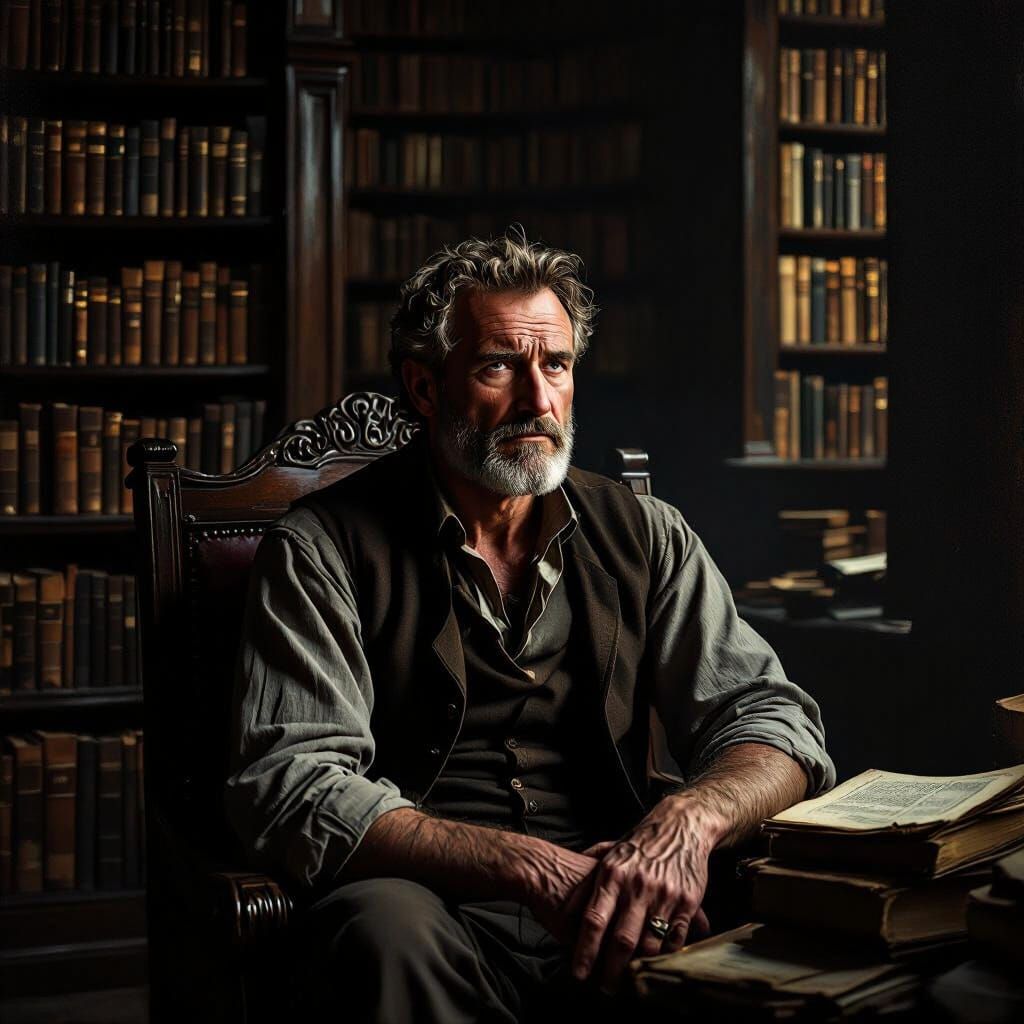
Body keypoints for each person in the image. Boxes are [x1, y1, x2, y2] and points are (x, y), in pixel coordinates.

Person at [225, 229, 835, 1023]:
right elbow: (292, 783)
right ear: (423, 387)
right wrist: (526, 867)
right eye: (497, 366)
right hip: (432, 907)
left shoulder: (645, 531)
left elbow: (774, 720)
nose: (537, 401)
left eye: (555, 365)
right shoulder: (322, 547)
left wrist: (686, 822)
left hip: (624, 894)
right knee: (382, 931)